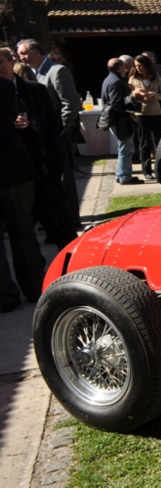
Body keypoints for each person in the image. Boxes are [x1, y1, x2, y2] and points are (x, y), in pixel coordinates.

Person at [0, 48, 77, 249]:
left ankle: (72, 264)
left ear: (11, 63)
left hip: (42, 168)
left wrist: (53, 161)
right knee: (23, 233)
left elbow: (53, 125)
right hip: (13, 175)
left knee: (59, 222)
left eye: (1, 62)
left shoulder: (34, 90)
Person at [16, 38, 82, 229]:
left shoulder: (56, 71)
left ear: (36, 51)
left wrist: (60, 130)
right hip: (43, 135)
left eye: (24, 53)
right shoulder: (34, 74)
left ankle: (71, 218)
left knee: (65, 177)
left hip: (57, 134)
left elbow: (69, 104)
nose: (22, 58)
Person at [0, 71, 45, 312]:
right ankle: (34, 286)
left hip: (12, 169)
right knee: (23, 233)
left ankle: (5, 296)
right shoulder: (6, 87)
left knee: (22, 233)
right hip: (12, 169)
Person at [101, 57, 143, 185]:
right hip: (120, 120)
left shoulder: (109, 80)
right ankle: (125, 176)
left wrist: (131, 99)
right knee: (126, 148)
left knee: (124, 147)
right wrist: (129, 112)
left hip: (117, 119)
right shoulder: (116, 82)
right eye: (124, 66)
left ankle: (121, 174)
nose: (126, 68)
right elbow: (116, 103)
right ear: (119, 68)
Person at [128, 54, 161, 180]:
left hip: (156, 112)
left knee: (159, 141)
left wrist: (154, 94)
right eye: (136, 66)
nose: (138, 68)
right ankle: (146, 170)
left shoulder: (156, 78)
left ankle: (160, 169)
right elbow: (128, 97)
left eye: (140, 66)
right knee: (144, 142)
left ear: (146, 66)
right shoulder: (133, 79)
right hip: (141, 114)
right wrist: (135, 93)